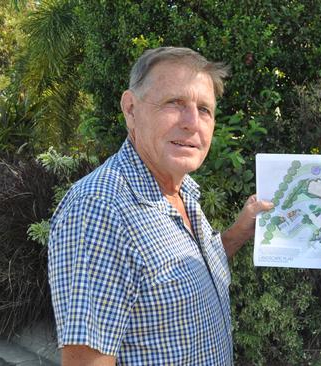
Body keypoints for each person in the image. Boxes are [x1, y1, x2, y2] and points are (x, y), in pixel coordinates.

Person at [48, 47, 273, 365]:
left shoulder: (181, 192)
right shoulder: (100, 210)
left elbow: (193, 270)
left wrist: (240, 229)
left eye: (205, 110)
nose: (193, 123)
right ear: (131, 109)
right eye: (174, 103)